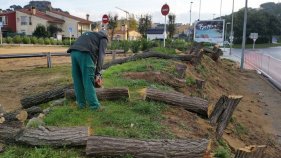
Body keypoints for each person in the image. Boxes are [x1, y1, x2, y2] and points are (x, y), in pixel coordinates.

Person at [67, 30, 108, 110]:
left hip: (73, 52)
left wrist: (96, 72)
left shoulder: (90, 34)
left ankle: (81, 104)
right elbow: (101, 56)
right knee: (88, 80)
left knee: (77, 80)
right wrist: (98, 73)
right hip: (84, 53)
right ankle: (94, 106)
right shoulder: (104, 38)